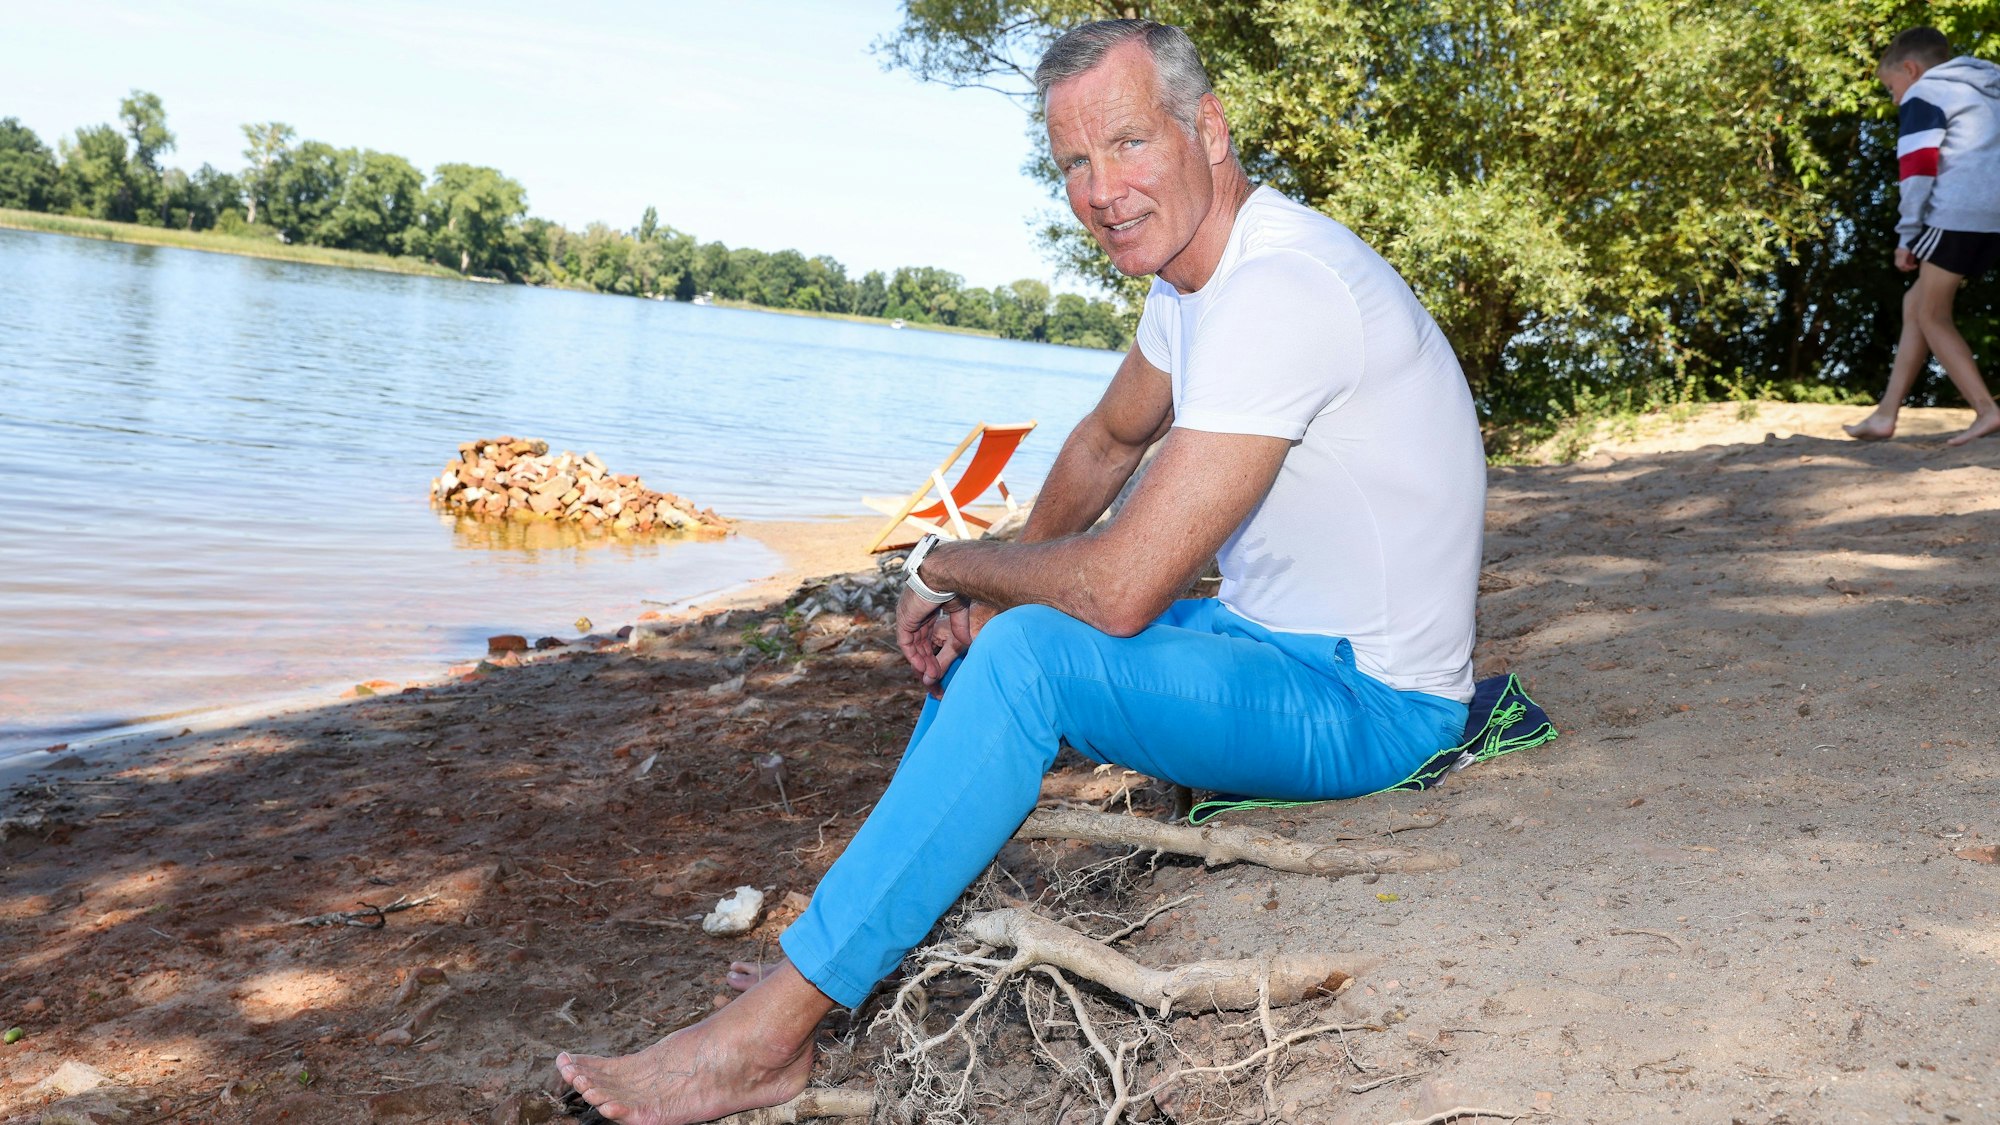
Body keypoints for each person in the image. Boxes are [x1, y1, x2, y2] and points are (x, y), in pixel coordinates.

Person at [556, 19, 1487, 1124]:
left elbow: (1122, 589)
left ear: (1208, 128)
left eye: (1128, 144)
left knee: (1027, 659)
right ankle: (834, 951)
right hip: (1271, 646)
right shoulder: (1191, 286)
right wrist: (984, 596)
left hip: (1371, 703)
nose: (1101, 191)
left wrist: (945, 565)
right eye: (1074, 162)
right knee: (995, 643)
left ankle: (766, 1039)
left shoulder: (1281, 289)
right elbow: (1105, 441)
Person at [1844, 27, 2000, 447]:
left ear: (1910, 70)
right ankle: (1885, 414)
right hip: (1993, 216)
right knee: (1917, 303)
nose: (1895, 99)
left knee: (1933, 314)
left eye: (1891, 87)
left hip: (1957, 213)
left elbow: (1917, 168)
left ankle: (1986, 410)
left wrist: (1908, 234)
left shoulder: (1925, 93)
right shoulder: (1988, 90)